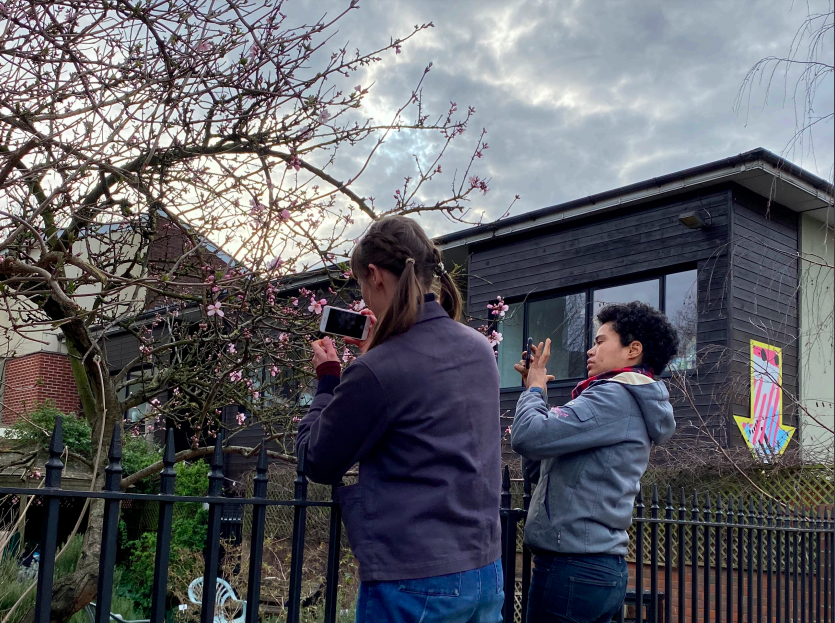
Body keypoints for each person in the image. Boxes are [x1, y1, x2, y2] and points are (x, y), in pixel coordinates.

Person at [296, 216, 504, 623]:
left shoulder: (380, 368)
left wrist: (328, 380)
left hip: (414, 579)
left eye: (361, 285)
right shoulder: (478, 347)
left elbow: (317, 459)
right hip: (485, 569)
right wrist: (374, 351)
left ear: (374, 275)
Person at [511, 301, 678, 623]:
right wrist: (535, 395)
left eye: (600, 341)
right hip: (590, 565)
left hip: (574, 566)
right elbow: (537, 459)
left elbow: (527, 437)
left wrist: (534, 389)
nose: (590, 350)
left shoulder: (613, 396)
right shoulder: (616, 399)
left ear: (633, 350)